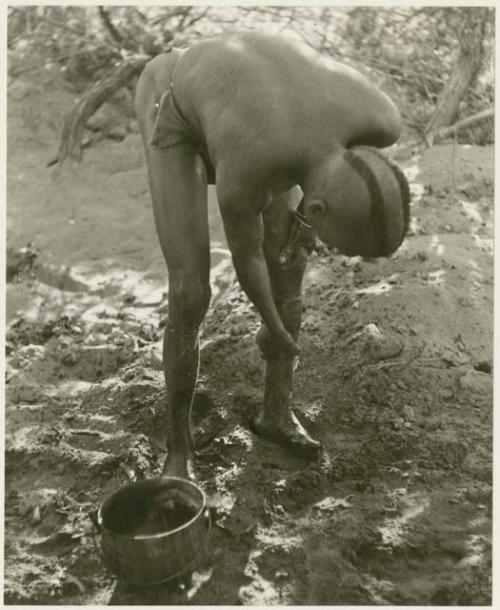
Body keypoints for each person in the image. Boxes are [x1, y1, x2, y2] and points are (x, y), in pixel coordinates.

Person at [135, 31, 410, 479]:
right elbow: (247, 256)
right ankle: (179, 451)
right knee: (191, 291)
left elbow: (357, 173)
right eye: (339, 245)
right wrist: (275, 326)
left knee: (291, 260)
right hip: (175, 103)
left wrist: (301, 227)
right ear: (318, 206)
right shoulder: (249, 168)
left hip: (251, 101)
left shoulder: (382, 118)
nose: (331, 251)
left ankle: (275, 413)